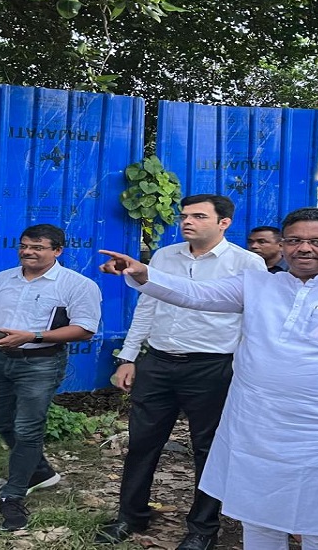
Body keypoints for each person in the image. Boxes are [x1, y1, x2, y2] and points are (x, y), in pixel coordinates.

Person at [99, 207, 318, 550]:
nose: (304, 248)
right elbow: (195, 294)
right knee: (259, 521)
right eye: (294, 240)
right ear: (282, 245)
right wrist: (144, 273)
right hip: (257, 429)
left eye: (317, 242)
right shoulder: (256, 284)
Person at [96, 195, 265, 550]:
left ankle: (203, 528)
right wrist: (129, 357)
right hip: (158, 362)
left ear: (224, 223)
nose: (187, 221)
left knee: (209, 448)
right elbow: (147, 306)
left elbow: (255, 320)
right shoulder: (164, 256)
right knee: (142, 442)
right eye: (184, 215)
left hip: (212, 367)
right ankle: (131, 516)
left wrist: (247, 370)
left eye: (199, 216)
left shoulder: (247, 263)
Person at [0, 224, 102, 532]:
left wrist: (33, 336)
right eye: (24, 246)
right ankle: (41, 472)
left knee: (27, 427)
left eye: (37, 247)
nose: (28, 252)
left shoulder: (77, 285)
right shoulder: (3, 278)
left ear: (57, 251)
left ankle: (14, 494)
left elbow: (85, 329)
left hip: (42, 363)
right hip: (1, 360)